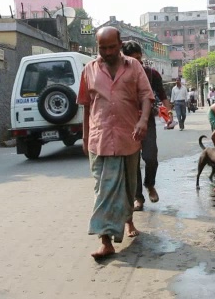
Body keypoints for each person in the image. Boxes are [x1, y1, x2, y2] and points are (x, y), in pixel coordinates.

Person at [78, 27, 154, 259]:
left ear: (120, 44)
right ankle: (105, 240)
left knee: (129, 187)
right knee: (103, 189)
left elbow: (146, 96)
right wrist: (84, 135)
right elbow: (86, 105)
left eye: (112, 47)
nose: (108, 52)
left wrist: (142, 121)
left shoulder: (134, 66)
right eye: (103, 48)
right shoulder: (89, 70)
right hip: (99, 138)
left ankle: (128, 220)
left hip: (128, 137)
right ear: (97, 46)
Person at [121, 40, 171, 212]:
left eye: (139, 58)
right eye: (133, 59)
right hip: (127, 122)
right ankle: (138, 197)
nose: (138, 62)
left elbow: (162, 96)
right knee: (132, 162)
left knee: (151, 157)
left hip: (147, 121)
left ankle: (150, 184)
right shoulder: (120, 74)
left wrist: (168, 113)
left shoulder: (151, 74)